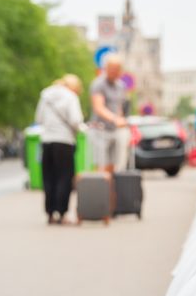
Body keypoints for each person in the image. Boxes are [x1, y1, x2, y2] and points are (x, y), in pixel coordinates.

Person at [35, 74, 84, 224]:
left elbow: (38, 118)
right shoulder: (71, 97)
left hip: (47, 141)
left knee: (49, 178)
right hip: (64, 141)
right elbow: (76, 120)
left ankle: (50, 213)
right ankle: (62, 214)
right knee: (64, 178)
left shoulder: (45, 95)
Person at [89, 55, 129, 172]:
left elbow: (119, 106)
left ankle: (111, 190)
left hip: (114, 130)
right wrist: (115, 119)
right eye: (112, 69)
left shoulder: (120, 86)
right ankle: (100, 189)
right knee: (100, 165)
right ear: (106, 68)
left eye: (117, 70)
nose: (115, 72)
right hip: (99, 130)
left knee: (112, 164)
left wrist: (121, 120)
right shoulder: (98, 84)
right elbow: (98, 107)